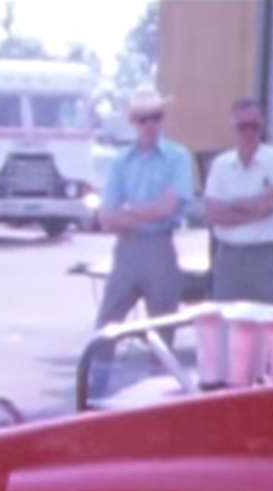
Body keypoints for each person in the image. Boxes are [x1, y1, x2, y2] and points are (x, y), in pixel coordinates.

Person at [94, 85, 195, 330]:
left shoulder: (178, 157)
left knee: (163, 326)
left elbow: (168, 208)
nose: (150, 124)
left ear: (163, 119)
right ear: (133, 122)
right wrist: (147, 215)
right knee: (107, 325)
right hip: (127, 250)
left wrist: (128, 212)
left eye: (156, 117)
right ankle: (99, 369)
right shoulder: (120, 161)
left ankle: (161, 368)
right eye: (143, 119)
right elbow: (106, 216)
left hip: (160, 247)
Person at [202, 97, 273, 304]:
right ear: (233, 127)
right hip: (229, 258)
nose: (249, 132)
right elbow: (212, 214)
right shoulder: (220, 165)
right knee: (227, 325)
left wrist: (231, 205)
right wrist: (256, 209)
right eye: (243, 126)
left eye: (255, 126)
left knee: (268, 325)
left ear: (262, 126)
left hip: (265, 256)